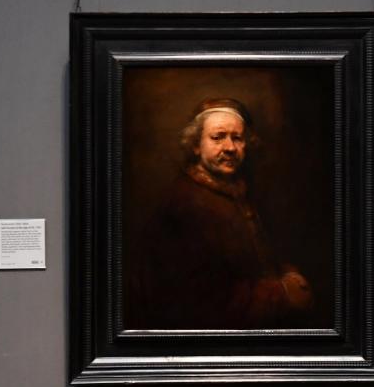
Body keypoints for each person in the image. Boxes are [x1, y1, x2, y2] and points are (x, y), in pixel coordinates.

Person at [128, 98, 312, 329]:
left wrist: (285, 273)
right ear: (196, 145)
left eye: (237, 138)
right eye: (218, 137)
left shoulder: (238, 192)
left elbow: (253, 262)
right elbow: (195, 304)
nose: (230, 148)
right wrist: (281, 293)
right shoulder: (182, 206)